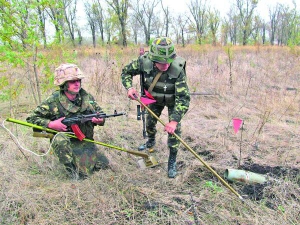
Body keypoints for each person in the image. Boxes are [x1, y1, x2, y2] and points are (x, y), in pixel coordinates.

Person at [121, 37, 190, 178]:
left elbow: (183, 98)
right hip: (153, 98)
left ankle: (172, 160)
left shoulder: (178, 69)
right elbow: (126, 72)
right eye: (161, 62)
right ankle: (151, 141)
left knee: (174, 132)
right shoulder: (143, 62)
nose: (165, 65)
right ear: (153, 59)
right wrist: (129, 88)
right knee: (150, 123)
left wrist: (174, 121)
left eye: (168, 61)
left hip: (173, 101)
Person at [26, 63, 109, 179]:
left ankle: (83, 161)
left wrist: (99, 120)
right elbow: (31, 119)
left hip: (85, 141)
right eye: (72, 81)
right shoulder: (53, 101)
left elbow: (101, 114)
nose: (77, 83)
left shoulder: (87, 97)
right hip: (68, 144)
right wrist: (51, 124)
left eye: (78, 80)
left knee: (103, 165)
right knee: (60, 140)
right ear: (63, 84)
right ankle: (72, 171)